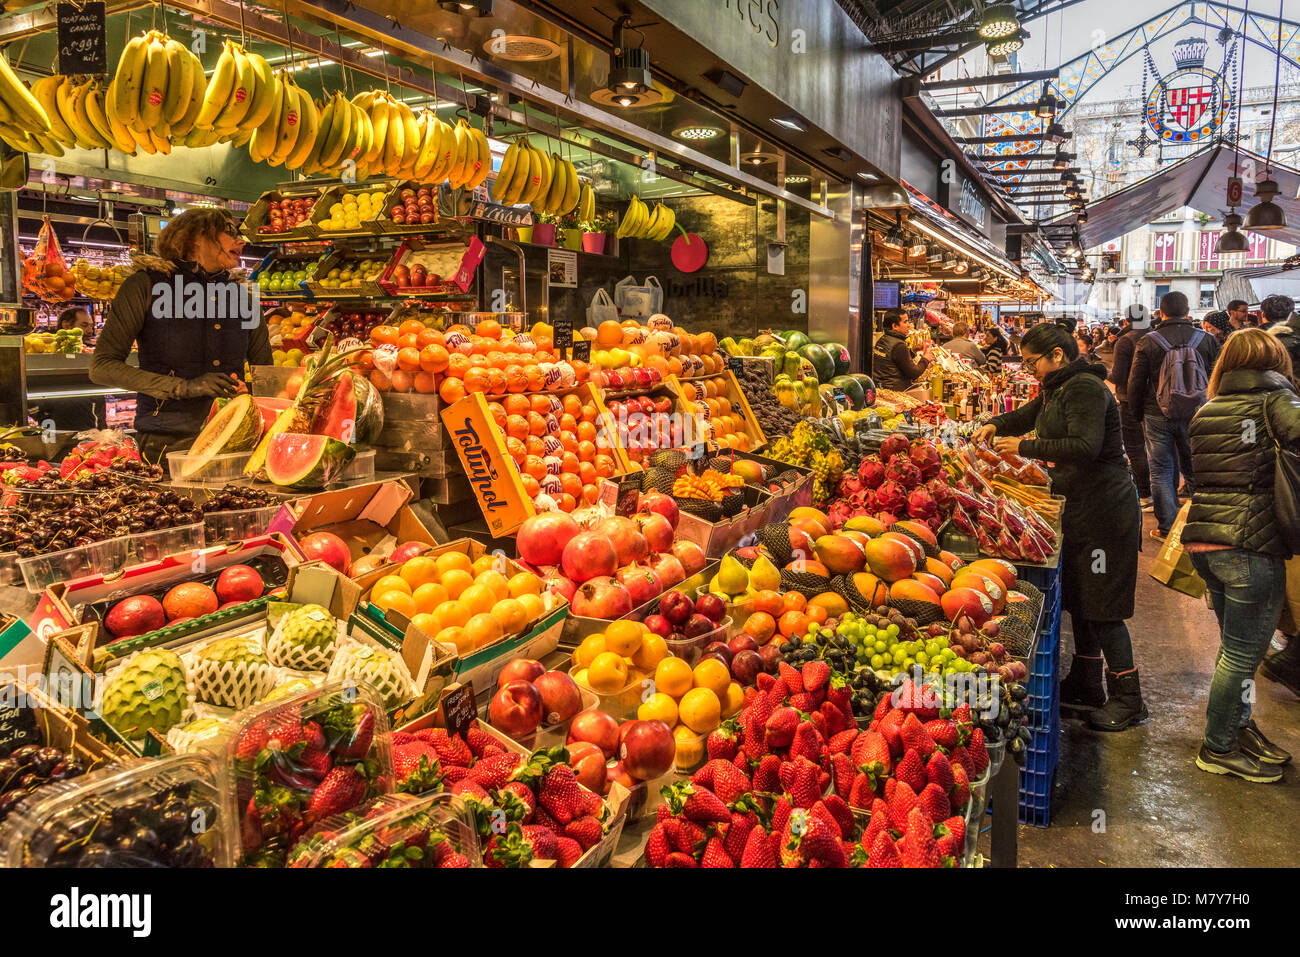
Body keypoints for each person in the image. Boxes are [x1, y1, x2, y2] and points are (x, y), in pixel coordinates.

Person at [974, 323, 1144, 730]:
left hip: (1105, 510)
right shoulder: (1057, 386)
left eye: (1033, 361)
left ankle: (1129, 698)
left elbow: (1083, 447)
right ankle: (1086, 683)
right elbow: (1028, 415)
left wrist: (1024, 447)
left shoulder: (1084, 388)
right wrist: (996, 424)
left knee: (1103, 607)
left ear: (1056, 355)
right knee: (1084, 599)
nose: (1029, 368)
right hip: (1081, 505)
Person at [1181, 329, 1300, 781]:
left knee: (1236, 649)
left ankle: (1238, 727)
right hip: (1251, 545)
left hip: (1206, 544)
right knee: (1241, 654)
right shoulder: (1275, 401)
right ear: (1275, 361)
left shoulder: (1207, 408)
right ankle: (1218, 747)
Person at [90, 209, 270, 460]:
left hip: (236, 437)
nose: (240, 241)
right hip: (166, 443)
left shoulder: (244, 297)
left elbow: (266, 374)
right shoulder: (145, 286)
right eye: (229, 232)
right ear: (195, 238)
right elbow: (102, 366)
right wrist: (184, 387)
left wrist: (248, 389)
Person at [1127, 291, 1220, 540]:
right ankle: (1202, 528)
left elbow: (1135, 383)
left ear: (1162, 313)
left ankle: (1167, 528)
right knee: (1197, 469)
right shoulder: (1208, 340)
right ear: (1188, 311)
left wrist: (1137, 414)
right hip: (1198, 415)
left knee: (1161, 470)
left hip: (1156, 414)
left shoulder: (1148, 341)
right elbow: (1217, 379)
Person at [1108, 310, 1153, 504]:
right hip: (1156, 401)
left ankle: (1145, 495)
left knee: (1135, 449)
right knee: (1158, 450)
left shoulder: (1125, 341)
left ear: (1127, 320)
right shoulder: (1155, 336)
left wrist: (1105, 372)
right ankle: (1165, 496)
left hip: (1128, 400)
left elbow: (1118, 376)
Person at [871, 310, 932, 395]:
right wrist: (925, 359)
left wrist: (914, 350)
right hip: (894, 392)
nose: (909, 325)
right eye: (905, 322)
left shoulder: (883, 339)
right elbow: (913, 373)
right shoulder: (899, 345)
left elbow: (898, 360)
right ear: (895, 326)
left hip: (882, 389)